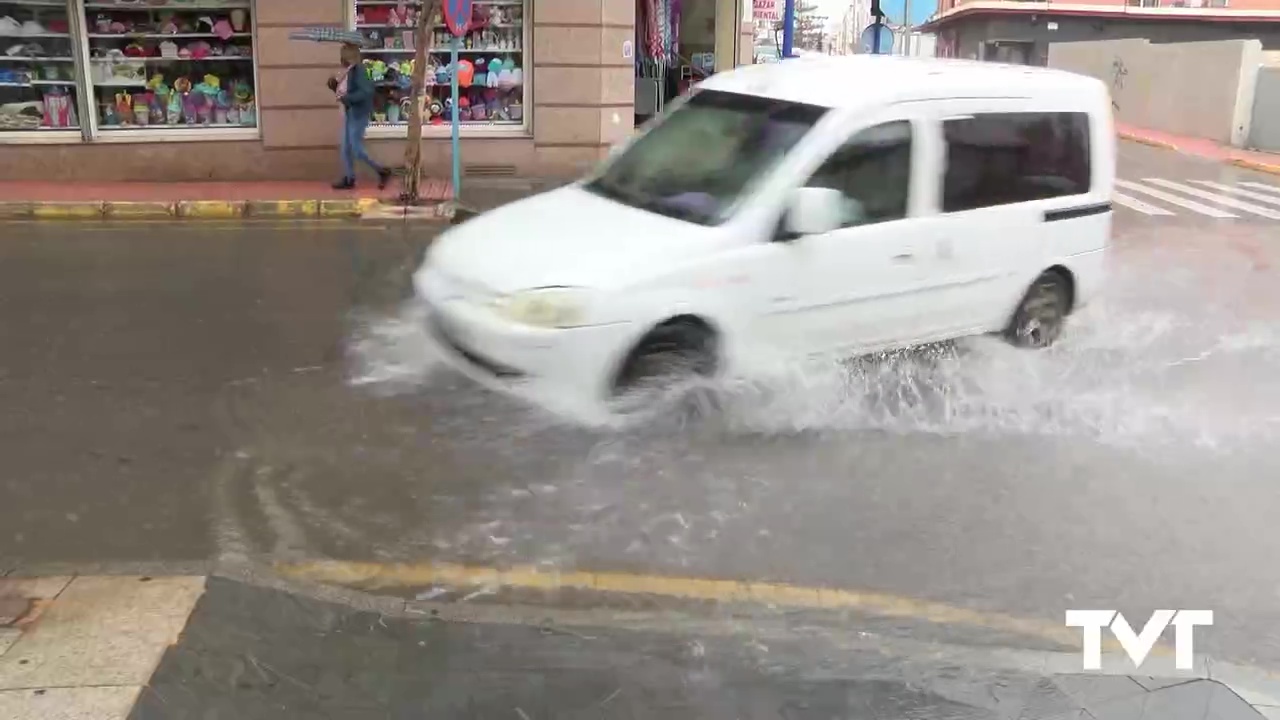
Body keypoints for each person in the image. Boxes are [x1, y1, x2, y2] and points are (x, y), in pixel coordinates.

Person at [330, 43, 391, 190]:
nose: (341, 60)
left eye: (343, 56)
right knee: (345, 147)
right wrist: (334, 86)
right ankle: (349, 178)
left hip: (359, 113)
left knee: (356, 149)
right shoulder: (349, 71)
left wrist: (347, 98)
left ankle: (382, 171)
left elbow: (365, 92)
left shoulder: (359, 71)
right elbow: (346, 90)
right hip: (351, 111)